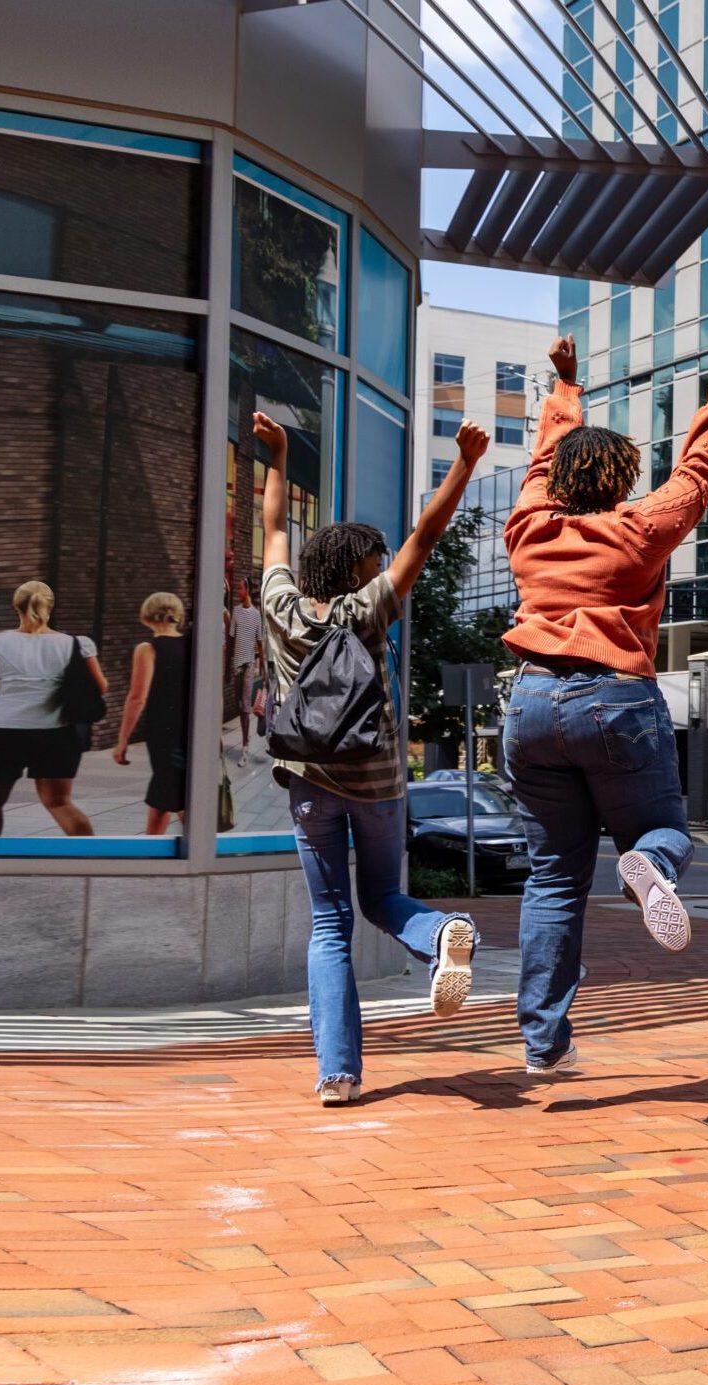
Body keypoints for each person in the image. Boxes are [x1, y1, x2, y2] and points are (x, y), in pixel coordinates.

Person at [502, 338, 708, 1079]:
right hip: (615, 699)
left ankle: (544, 1044)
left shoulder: (528, 528)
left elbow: (542, 461)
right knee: (666, 827)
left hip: (534, 702)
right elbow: (695, 478)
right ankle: (648, 860)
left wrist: (566, 389)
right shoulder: (638, 531)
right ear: (619, 480)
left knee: (552, 878)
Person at [258, 412, 486, 1106]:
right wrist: (465, 464)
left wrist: (280, 455)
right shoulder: (368, 611)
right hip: (379, 782)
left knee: (330, 923)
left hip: (309, 784)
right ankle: (442, 931)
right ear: (359, 569)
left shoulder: (282, 608)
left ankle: (337, 1073)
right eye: (372, 555)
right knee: (383, 898)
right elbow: (428, 535)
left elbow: (271, 530)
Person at [0, 581, 108, 838]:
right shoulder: (77, 644)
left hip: (2, 731)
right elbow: (99, 687)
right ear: (50, 606)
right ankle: (89, 861)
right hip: (55, 732)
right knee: (59, 803)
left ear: (15, 605)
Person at [111, 591, 192, 836]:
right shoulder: (191, 644)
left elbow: (137, 698)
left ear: (147, 615)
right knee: (176, 787)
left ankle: (152, 848)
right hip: (189, 726)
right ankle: (196, 845)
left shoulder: (148, 649)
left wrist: (123, 740)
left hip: (164, 730)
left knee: (164, 789)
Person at [229, 578, 264, 758]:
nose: (238, 592)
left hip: (249, 664)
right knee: (239, 705)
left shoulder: (256, 615)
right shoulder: (235, 611)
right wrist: (228, 666)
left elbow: (260, 644)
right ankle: (244, 739)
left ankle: (245, 743)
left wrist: (264, 671)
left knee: (245, 706)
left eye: (241, 589)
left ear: (248, 590)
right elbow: (231, 640)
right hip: (236, 666)